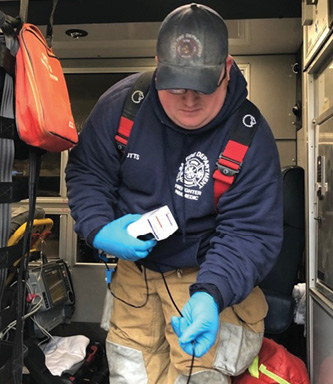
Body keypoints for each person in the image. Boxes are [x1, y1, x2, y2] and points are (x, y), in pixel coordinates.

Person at [65, 3, 283, 383]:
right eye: (176, 86)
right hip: (135, 278)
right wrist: (100, 228)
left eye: (202, 87)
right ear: (158, 64)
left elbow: (249, 232)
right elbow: (88, 174)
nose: (188, 100)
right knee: (129, 372)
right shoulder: (122, 105)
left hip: (211, 274)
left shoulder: (250, 136)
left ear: (226, 69)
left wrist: (211, 293)